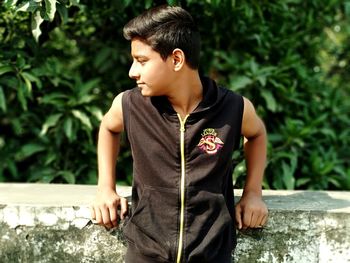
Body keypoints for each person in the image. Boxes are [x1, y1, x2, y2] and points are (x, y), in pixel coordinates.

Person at [91, 4, 268, 263]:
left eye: (141, 61)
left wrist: (253, 193)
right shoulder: (130, 105)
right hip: (144, 252)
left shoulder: (232, 107)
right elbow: (108, 128)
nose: (132, 71)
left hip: (212, 253)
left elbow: (257, 134)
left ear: (176, 59)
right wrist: (105, 187)